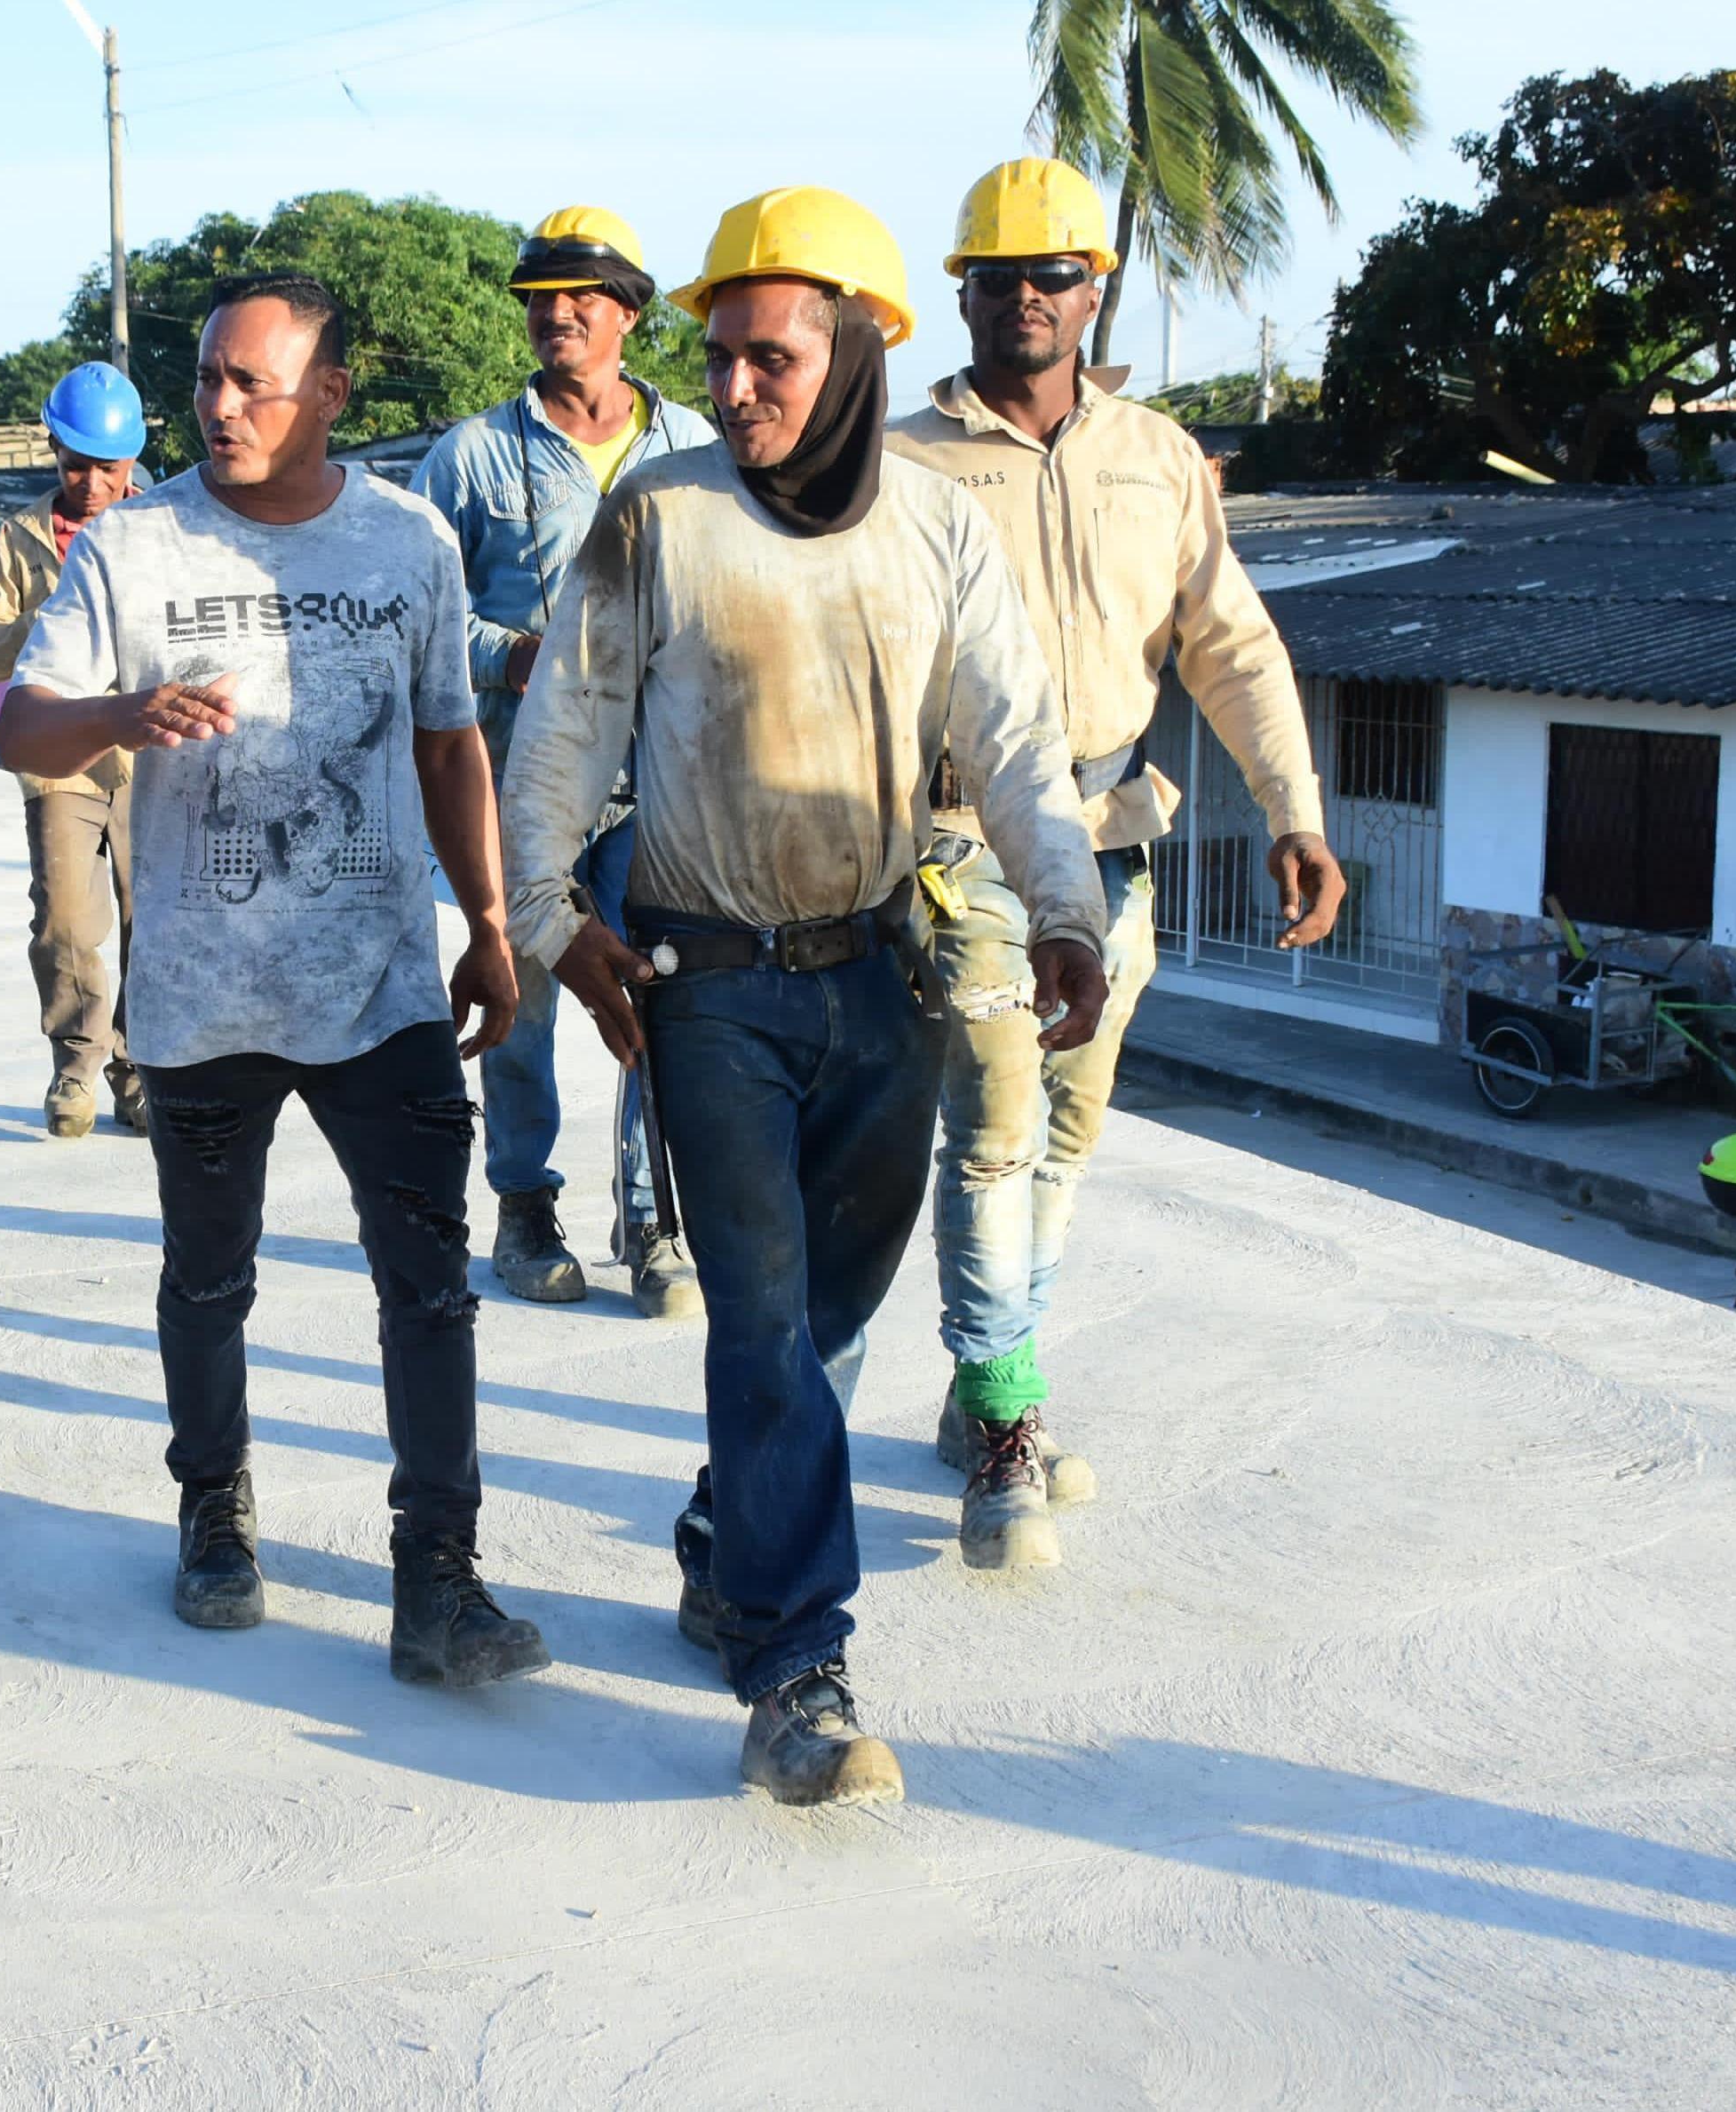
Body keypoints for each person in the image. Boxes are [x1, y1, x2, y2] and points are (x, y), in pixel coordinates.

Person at [505, 189, 1108, 1805]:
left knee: (834, 1317)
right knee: (762, 1322)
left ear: (851, 349)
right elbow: (556, 739)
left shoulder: (934, 526)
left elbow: (1013, 734)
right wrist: (551, 918)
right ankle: (795, 1671)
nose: (733, 386)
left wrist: (1068, 909)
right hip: (705, 987)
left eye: (767, 356)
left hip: (879, 977)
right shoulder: (657, 517)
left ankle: (724, 1535)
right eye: (717, 357)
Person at [0, 273, 545, 1691]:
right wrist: (125, 711)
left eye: (256, 381)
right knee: (209, 1278)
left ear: (331, 397)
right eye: (207, 381)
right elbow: (23, 727)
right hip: (202, 996)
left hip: (381, 991)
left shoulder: (410, 540)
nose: (222, 406)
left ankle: (440, 1576)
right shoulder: (134, 544)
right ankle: (214, 1511)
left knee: (429, 1284)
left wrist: (485, 919)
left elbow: (446, 742)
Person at [892, 158, 1344, 1568]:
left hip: (1114, 838)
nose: (1024, 296)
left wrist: (1294, 809)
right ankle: (1011, 1416)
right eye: (996, 275)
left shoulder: (1155, 455)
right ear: (956, 292)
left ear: (1092, 292)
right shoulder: (898, 463)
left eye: (1052, 275)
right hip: (961, 845)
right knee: (995, 1129)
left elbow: (1231, 643)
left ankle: (980, 1384)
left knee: (1068, 1140)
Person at [408, 207, 717, 1318]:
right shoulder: (471, 455)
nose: (557, 314)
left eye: (581, 295)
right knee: (523, 995)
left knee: (662, 992)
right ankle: (524, 1206)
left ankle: (655, 1215)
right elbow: (424, 613)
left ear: (627, 312)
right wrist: (516, 653)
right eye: (540, 298)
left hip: (662, 784)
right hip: (517, 782)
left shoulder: (693, 445)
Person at [0, 361, 147, 1139]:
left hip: (154, 757)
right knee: (66, 922)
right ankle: (76, 1065)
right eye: (76, 464)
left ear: (133, 459)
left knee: (154, 920)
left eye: (108, 466)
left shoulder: (165, 527)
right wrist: (45, 627)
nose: (92, 481)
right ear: (52, 452)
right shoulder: (21, 540)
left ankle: (139, 1067)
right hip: (60, 759)